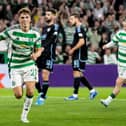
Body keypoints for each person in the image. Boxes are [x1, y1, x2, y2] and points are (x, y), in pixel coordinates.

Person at [0, 8, 43, 123]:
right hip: (15, 66)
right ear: (18, 20)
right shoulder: (11, 31)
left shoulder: (35, 34)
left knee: (30, 92)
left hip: (29, 64)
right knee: (18, 95)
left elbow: (39, 50)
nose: (24, 20)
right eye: (22, 17)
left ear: (30, 20)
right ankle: (21, 84)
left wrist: (36, 55)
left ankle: (24, 116)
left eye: (27, 17)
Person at [64, 13, 97, 101]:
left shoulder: (79, 28)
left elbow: (82, 41)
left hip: (79, 54)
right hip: (79, 54)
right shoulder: (79, 28)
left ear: (77, 19)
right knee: (79, 74)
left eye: (71, 19)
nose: (69, 21)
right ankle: (92, 90)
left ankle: (75, 95)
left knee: (76, 73)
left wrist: (73, 49)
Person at [35, 8, 59, 105]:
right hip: (40, 54)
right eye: (46, 14)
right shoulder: (44, 28)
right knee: (34, 75)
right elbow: (42, 41)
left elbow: (52, 40)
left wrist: (42, 49)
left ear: (53, 16)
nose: (46, 16)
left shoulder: (55, 27)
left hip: (48, 54)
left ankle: (42, 98)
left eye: (49, 14)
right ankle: (41, 92)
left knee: (45, 75)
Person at [100, 19, 126, 107]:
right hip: (120, 64)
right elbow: (113, 42)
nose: (125, 26)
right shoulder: (120, 33)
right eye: (124, 24)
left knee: (118, 81)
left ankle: (107, 100)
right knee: (119, 84)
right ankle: (107, 101)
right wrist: (106, 46)